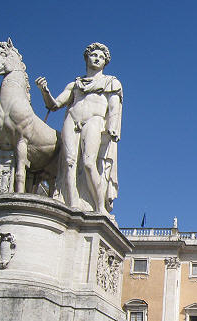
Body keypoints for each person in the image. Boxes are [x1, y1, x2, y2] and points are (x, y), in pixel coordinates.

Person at [36, 43, 122, 215]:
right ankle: (73, 204)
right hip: (72, 119)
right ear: (86, 58)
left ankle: (100, 207)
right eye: (93, 55)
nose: (97, 58)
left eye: (101, 57)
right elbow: (54, 105)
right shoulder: (75, 85)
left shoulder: (111, 83)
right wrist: (44, 91)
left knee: (90, 163)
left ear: (105, 62)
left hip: (95, 121)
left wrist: (112, 128)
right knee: (69, 162)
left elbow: (114, 110)